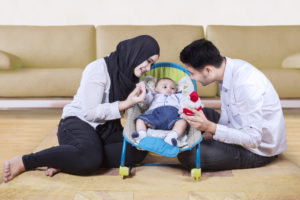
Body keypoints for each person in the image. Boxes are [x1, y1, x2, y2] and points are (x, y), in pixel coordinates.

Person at [3, 35, 160, 183]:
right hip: (78, 123)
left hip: (106, 128)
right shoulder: (98, 68)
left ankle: (66, 158)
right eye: (147, 61)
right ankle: (26, 161)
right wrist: (126, 103)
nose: (148, 67)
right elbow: (90, 112)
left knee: (138, 149)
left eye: (152, 63)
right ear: (136, 53)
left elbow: (139, 110)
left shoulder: (131, 77)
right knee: (91, 159)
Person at [177, 39, 286, 171]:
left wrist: (211, 127)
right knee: (194, 112)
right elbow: (228, 115)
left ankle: (192, 141)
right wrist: (212, 131)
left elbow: (253, 139)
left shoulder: (246, 84)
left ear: (208, 70)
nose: (191, 78)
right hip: (239, 128)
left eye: (192, 73)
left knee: (189, 156)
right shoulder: (227, 69)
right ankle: (191, 137)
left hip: (257, 150)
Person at [131, 78, 188, 146]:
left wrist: (183, 111)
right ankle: (142, 135)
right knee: (140, 119)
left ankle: (171, 137)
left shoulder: (178, 96)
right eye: (165, 87)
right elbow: (145, 101)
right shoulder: (154, 96)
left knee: (183, 122)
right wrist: (145, 92)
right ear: (156, 89)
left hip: (172, 118)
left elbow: (184, 103)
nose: (169, 89)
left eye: (172, 88)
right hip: (154, 116)